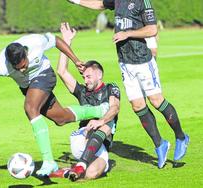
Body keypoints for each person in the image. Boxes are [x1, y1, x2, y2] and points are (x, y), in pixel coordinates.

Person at [67, 0, 189, 168]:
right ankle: (160, 144)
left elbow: (152, 29)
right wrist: (77, 1)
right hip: (125, 63)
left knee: (156, 101)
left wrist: (127, 33)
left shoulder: (143, 2)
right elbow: (99, 4)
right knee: (138, 106)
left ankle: (181, 136)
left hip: (143, 62)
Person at [0, 32, 110, 176]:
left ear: (26, 53)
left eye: (24, 65)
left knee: (30, 108)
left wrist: (75, 60)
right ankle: (98, 110)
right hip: (28, 88)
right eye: (18, 69)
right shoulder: (1, 66)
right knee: (60, 118)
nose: (22, 70)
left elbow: (56, 41)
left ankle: (48, 161)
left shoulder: (36, 42)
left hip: (44, 75)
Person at [49, 23, 120, 181]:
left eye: (89, 76)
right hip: (81, 138)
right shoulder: (82, 91)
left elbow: (114, 108)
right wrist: (67, 41)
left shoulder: (111, 88)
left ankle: (68, 170)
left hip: (98, 144)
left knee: (92, 174)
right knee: (107, 125)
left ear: (99, 75)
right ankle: (81, 164)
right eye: (84, 77)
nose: (85, 80)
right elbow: (61, 71)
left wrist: (100, 120)